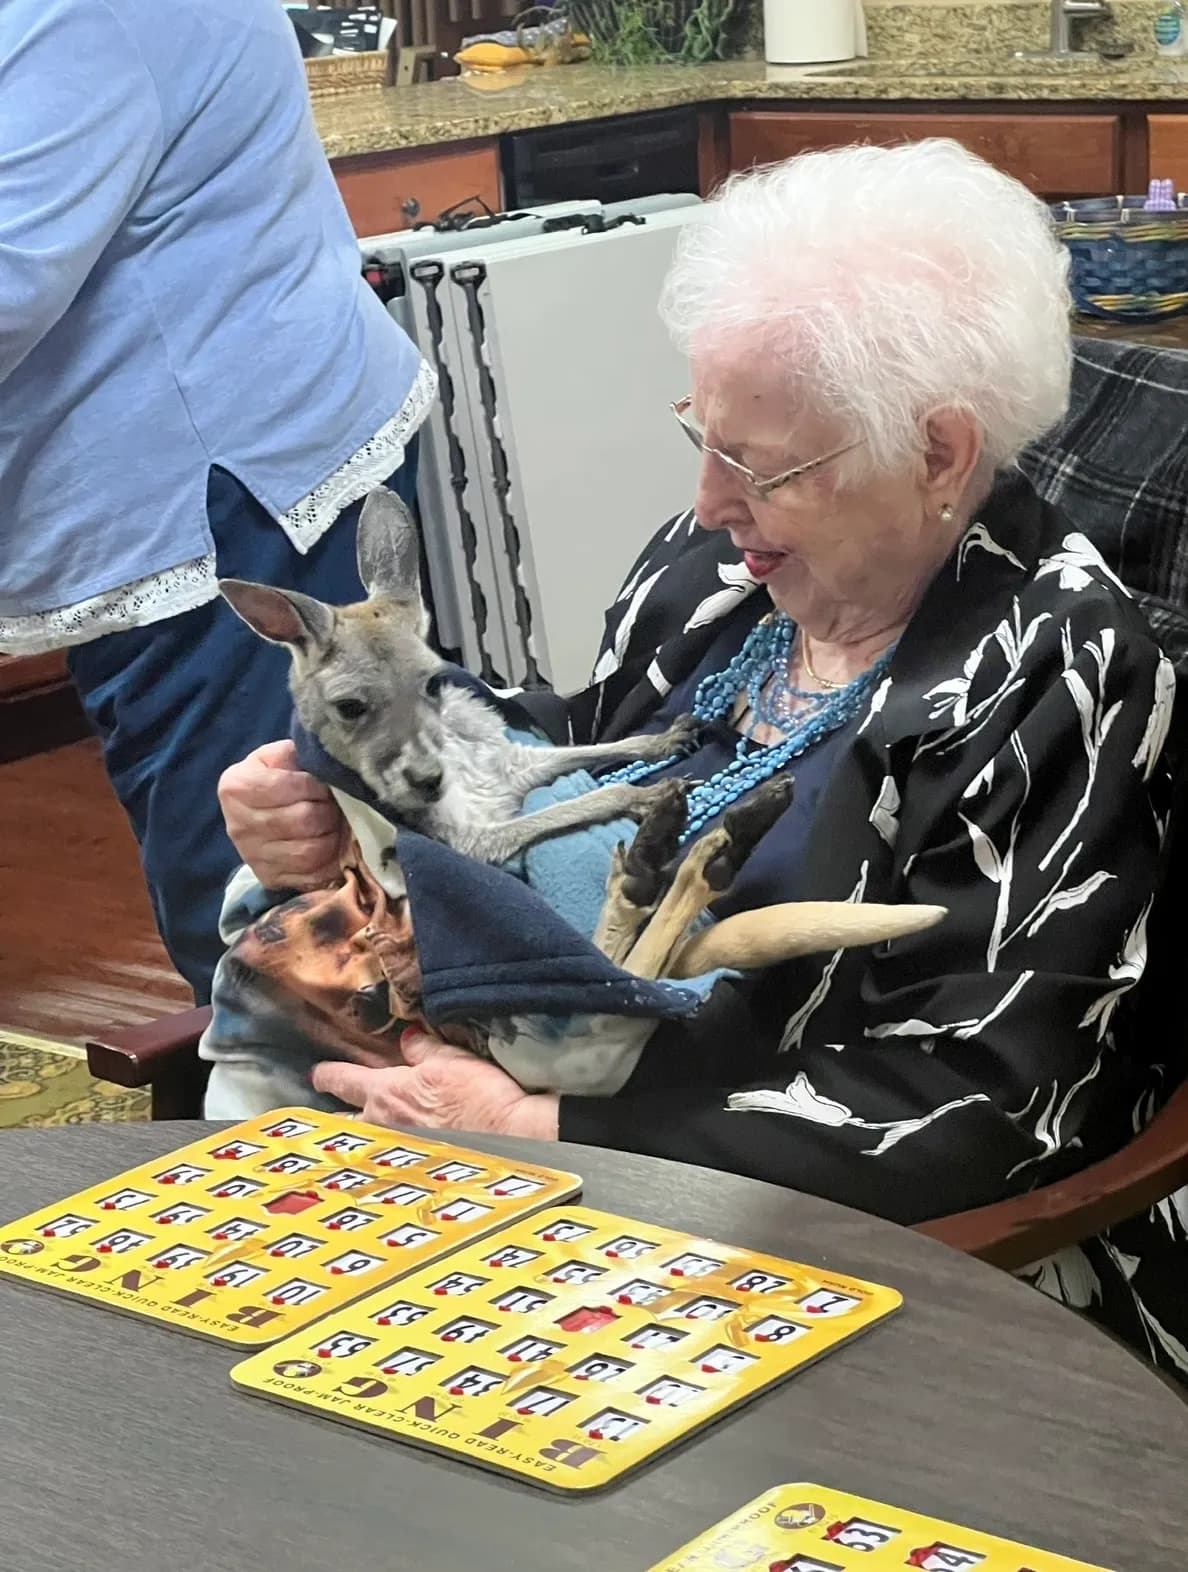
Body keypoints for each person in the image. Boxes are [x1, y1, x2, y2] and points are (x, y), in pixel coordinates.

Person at [217, 141, 1187, 1381]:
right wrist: (331, 782)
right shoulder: (719, 572)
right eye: (703, 434)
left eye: (760, 464)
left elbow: (983, 1097)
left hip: (856, 1270)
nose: (708, 498)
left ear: (941, 454)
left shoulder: (1056, 678)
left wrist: (555, 1128)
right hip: (512, 1142)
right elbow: (557, 754)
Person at [0, 0, 433, 1002]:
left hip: (228, 497)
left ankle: (343, 1142)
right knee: (308, 869)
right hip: (237, 464)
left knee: (270, 917)